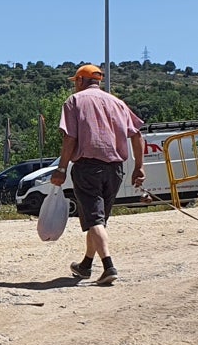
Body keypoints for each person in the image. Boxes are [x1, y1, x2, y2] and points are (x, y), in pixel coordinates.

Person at [50, 64, 145, 285]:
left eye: (75, 82)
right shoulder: (118, 103)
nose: (74, 86)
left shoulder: (74, 102)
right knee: (98, 220)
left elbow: (70, 138)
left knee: (94, 219)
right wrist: (139, 167)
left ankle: (109, 266)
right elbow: (137, 134)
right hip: (115, 169)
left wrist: (61, 168)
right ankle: (85, 265)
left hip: (87, 167)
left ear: (80, 81)